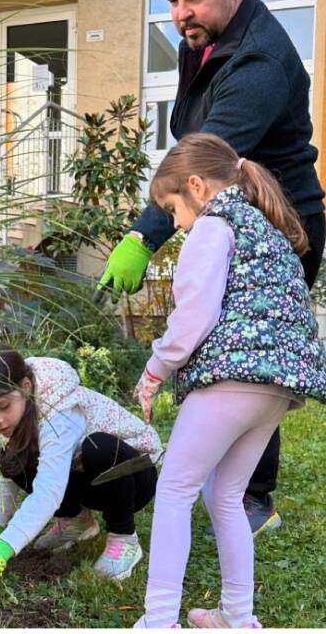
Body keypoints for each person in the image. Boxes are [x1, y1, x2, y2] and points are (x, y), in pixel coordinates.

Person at [99, 0, 325, 536]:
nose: (180, 14)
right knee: (226, 345)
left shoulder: (259, 59)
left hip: (281, 227)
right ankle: (231, 477)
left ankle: (252, 496)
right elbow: (190, 136)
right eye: (170, 0)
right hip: (230, 215)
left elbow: (213, 148)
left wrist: (144, 235)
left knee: (254, 355)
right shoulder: (202, 39)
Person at [132, 133, 326, 628]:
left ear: (197, 186)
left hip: (233, 378)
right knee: (226, 495)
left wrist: (155, 369)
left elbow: (194, 316)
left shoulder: (214, 226)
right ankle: (238, 617)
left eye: (172, 208)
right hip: (278, 386)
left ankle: (157, 621)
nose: (174, 222)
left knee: (175, 488)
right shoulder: (266, 227)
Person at [0, 347, 162, 589]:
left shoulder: (61, 413)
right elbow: (4, 478)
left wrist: (4, 547)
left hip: (132, 478)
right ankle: (77, 522)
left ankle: (123, 536)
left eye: (2, 406)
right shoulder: (5, 426)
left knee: (99, 446)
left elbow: (49, 490)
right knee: (11, 459)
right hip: (86, 479)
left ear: (25, 387)